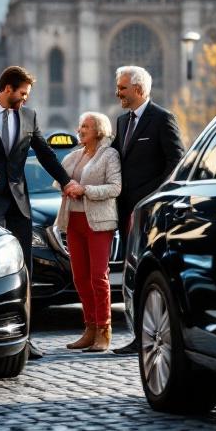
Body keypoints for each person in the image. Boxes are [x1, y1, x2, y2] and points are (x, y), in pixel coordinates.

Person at [0, 65, 78, 359]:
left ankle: (25, 339)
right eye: (22, 94)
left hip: (20, 204)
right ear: (7, 89)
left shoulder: (29, 116)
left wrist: (67, 181)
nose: (24, 99)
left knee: (23, 272)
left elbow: (44, 153)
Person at [110, 65, 185, 355]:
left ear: (139, 89)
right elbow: (115, 158)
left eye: (122, 88)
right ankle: (137, 334)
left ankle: (146, 334)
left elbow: (175, 163)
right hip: (126, 211)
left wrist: (151, 200)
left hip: (149, 213)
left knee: (146, 274)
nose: (117, 93)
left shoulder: (162, 119)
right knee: (132, 275)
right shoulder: (121, 121)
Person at [57, 112, 122, 352]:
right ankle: (90, 327)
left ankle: (104, 329)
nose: (80, 129)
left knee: (98, 277)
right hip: (73, 221)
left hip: (98, 222)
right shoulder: (75, 155)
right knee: (80, 278)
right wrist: (68, 186)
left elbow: (115, 187)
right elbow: (60, 181)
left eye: (86, 126)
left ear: (98, 130)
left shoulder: (109, 155)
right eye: (80, 125)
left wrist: (85, 190)